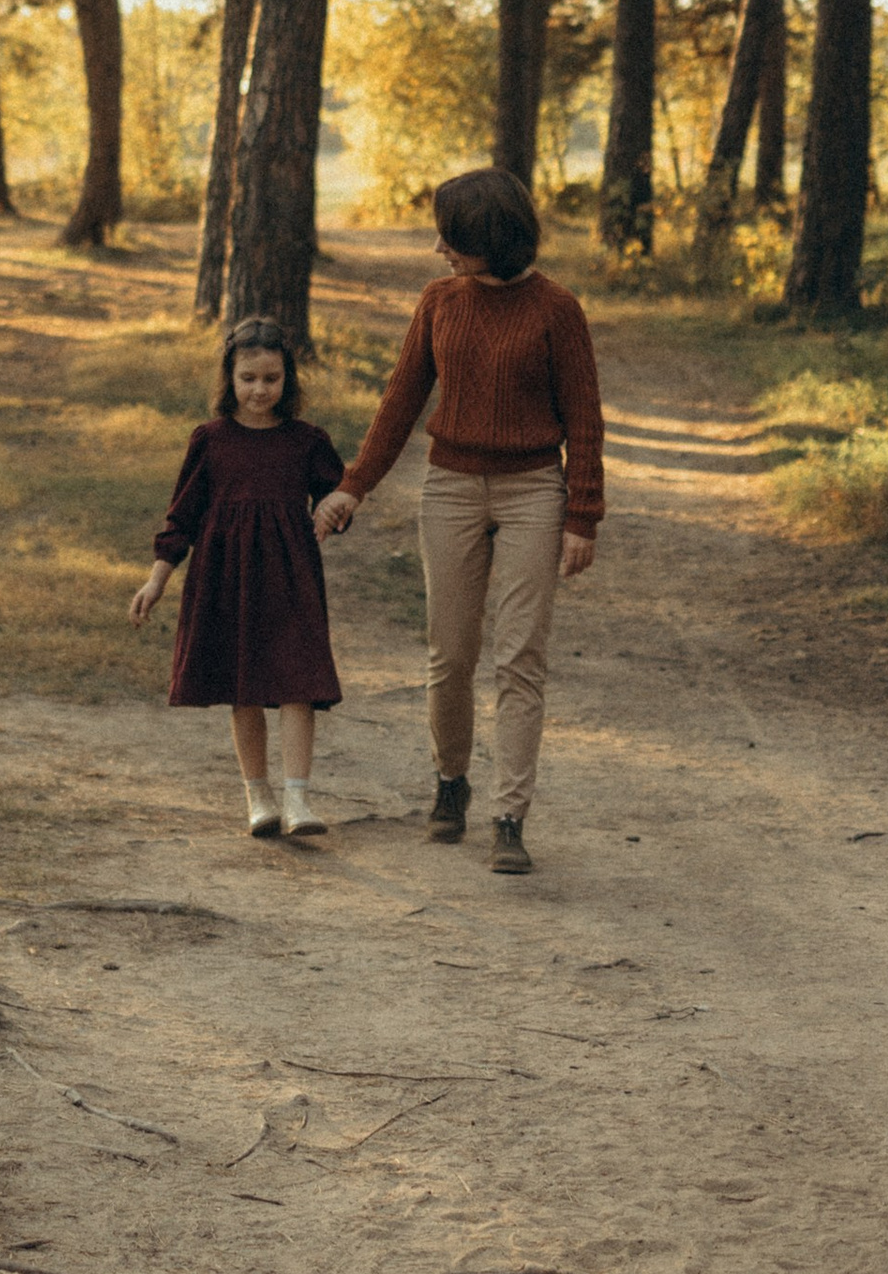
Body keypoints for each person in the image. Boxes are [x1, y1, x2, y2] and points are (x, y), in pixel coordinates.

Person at [316, 167, 603, 880]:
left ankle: (510, 815)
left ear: (491, 242)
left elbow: (585, 419)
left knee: (520, 657)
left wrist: (582, 515)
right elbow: (400, 401)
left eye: (453, 238)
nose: (439, 247)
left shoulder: (557, 310)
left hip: (533, 488)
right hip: (450, 487)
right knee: (450, 652)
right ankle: (451, 782)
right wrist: (354, 486)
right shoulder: (438, 301)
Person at [131, 314, 345, 840]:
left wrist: (330, 513)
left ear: (287, 380)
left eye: (271, 379)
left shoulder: (306, 441)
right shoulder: (210, 440)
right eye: (248, 378)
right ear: (229, 378)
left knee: (298, 684)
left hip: (290, 578)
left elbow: (337, 496)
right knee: (243, 687)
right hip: (227, 579)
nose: (259, 389)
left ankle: (297, 797)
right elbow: (181, 518)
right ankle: (259, 795)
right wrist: (157, 579)